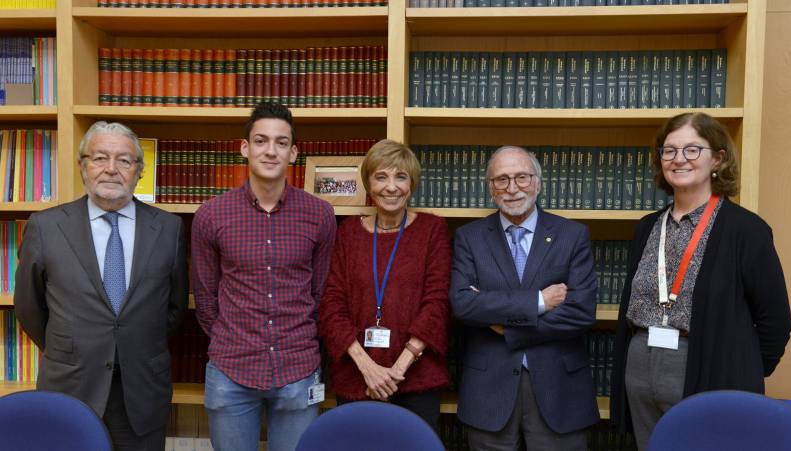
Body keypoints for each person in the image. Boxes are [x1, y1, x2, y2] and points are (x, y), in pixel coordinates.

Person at [610, 112, 791, 450]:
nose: (679, 159)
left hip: (708, 363)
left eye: (692, 150)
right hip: (641, 360)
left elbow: (775, 320)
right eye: (669, 150)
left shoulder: (746, 230)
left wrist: (741, 369)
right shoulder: (647, 227)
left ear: (717, 159)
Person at [15, 121, 188, 451]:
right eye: (100, 158)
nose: (111, 169)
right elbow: (29, 308)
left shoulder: (169, 229)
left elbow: (174, 309)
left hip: (141, 391)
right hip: (71, 385)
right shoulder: (46, 226)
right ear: (83, 166)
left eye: (124, 160)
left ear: (139, 171)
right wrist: (72, 346)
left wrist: (131, 342)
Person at [192, 102, 336, 451]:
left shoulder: (319, 214)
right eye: (261, 141)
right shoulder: (211, 215)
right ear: (245, 148)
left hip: (297, 371)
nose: (270, 151)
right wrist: (236, 338)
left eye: (281, 142)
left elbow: (320, 292)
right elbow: (205, 297)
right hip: (231, 370)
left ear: (294, 152)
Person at [450, 145, 599, 450]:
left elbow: (581, 312)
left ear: (538, 182)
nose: (513, 189)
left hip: (559, 388)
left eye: (522, 177)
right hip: (489, 389)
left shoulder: (573, 235)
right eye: (502, 180)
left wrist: (509, 327)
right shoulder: (469, 237)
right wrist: (539, 303)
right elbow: (463, 304)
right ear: (490, 188)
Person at [319, 139, 451, 430]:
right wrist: (368, 369)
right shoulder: (349, 233)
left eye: (400, 177)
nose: (391, 187)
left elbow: (437, 303)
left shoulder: (432, 230)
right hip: (357, 378)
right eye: (381, 176)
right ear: (368, 183)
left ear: (412, 184)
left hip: (416, 379)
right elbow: (332, 305)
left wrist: (397, 370)